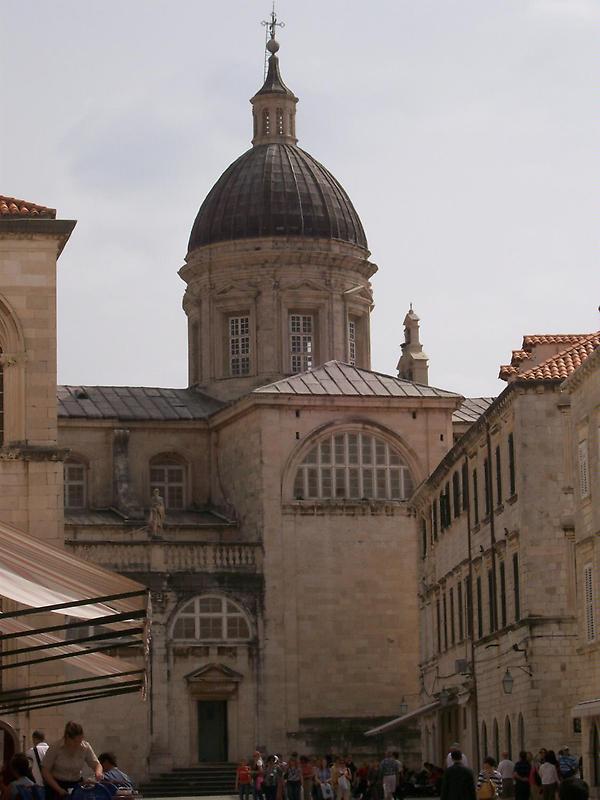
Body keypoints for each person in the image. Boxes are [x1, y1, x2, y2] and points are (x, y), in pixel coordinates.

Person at [41, 722, 102, 800]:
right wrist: (59, 789)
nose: (78, 744)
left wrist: (98, 773)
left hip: (76, 784)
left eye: (80, 741)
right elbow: (45, 770)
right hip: (56, 784)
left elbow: (96, 764)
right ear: (67, 737)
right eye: (75, 741)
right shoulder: (55, 747)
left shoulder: (85, 747)